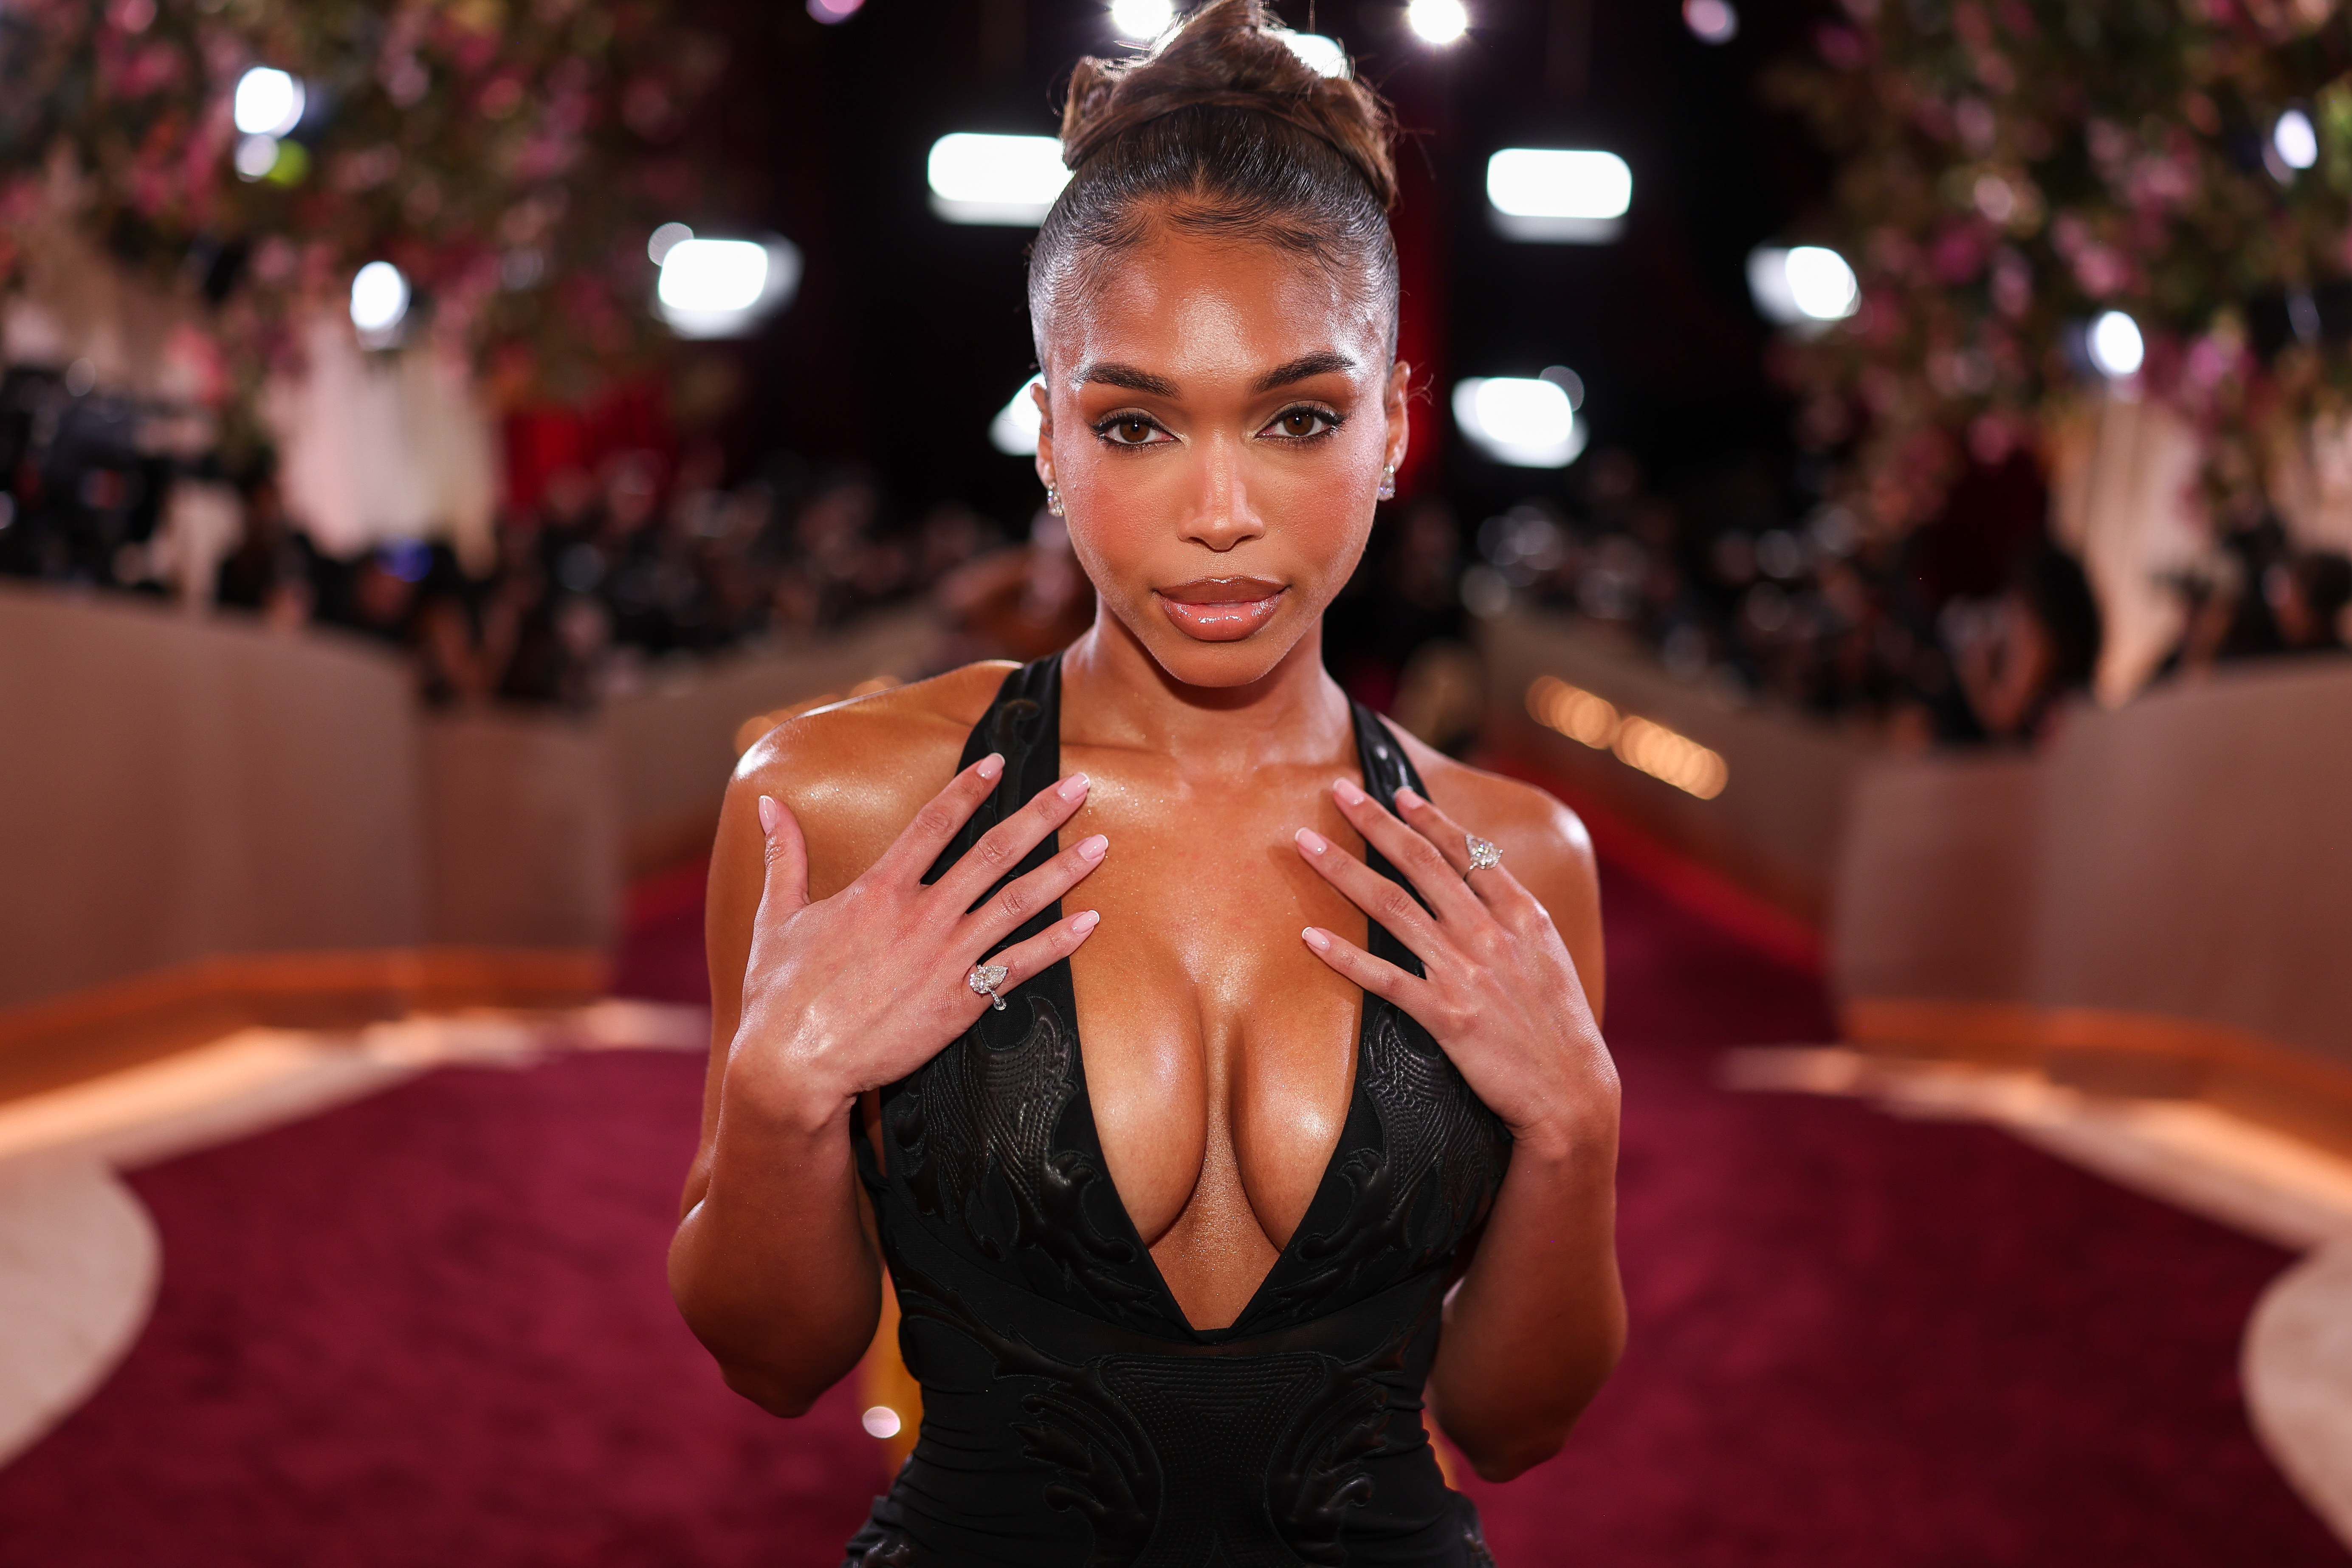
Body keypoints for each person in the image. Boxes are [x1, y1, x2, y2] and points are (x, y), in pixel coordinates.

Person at [668, 7, 1623, 1563]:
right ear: (1047, 439)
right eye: (1137, 424)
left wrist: (1579, 1132)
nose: (1224, 513)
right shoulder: (839, 802)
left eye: (1299, 416)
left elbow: (1516, 1424)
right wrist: (780, 1106)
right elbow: (776, 1363)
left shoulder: (1511, 854)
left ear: (1391, 425)